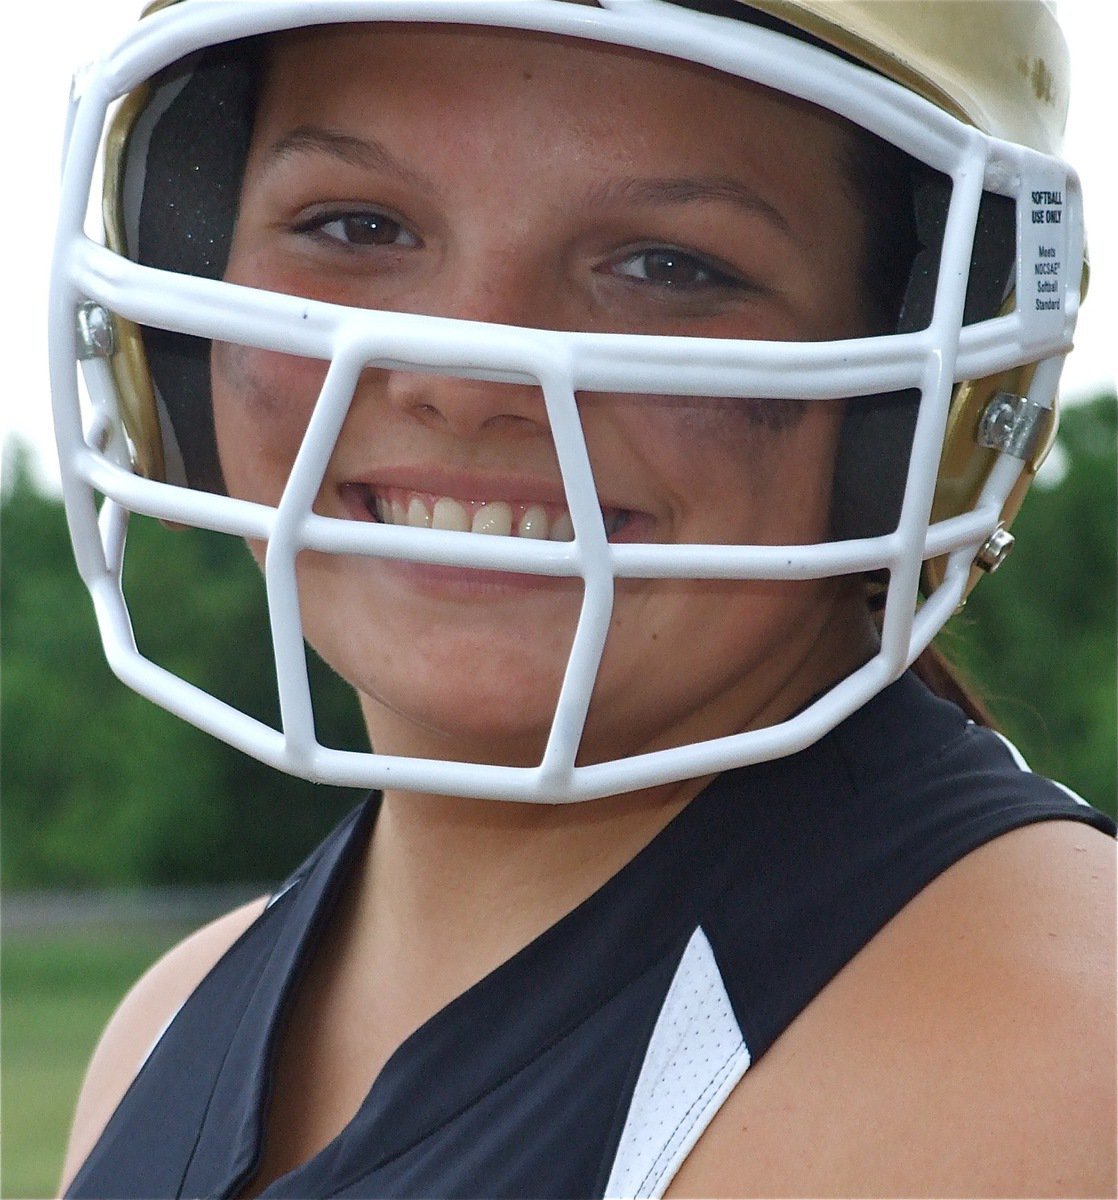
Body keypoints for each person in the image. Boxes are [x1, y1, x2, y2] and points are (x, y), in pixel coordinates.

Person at [50, 1, 1114, 1197]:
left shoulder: (1044, 1061)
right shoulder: (166, 1023)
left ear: (925, 394)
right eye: (357, 226)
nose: (464, 377)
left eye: (667, 266)